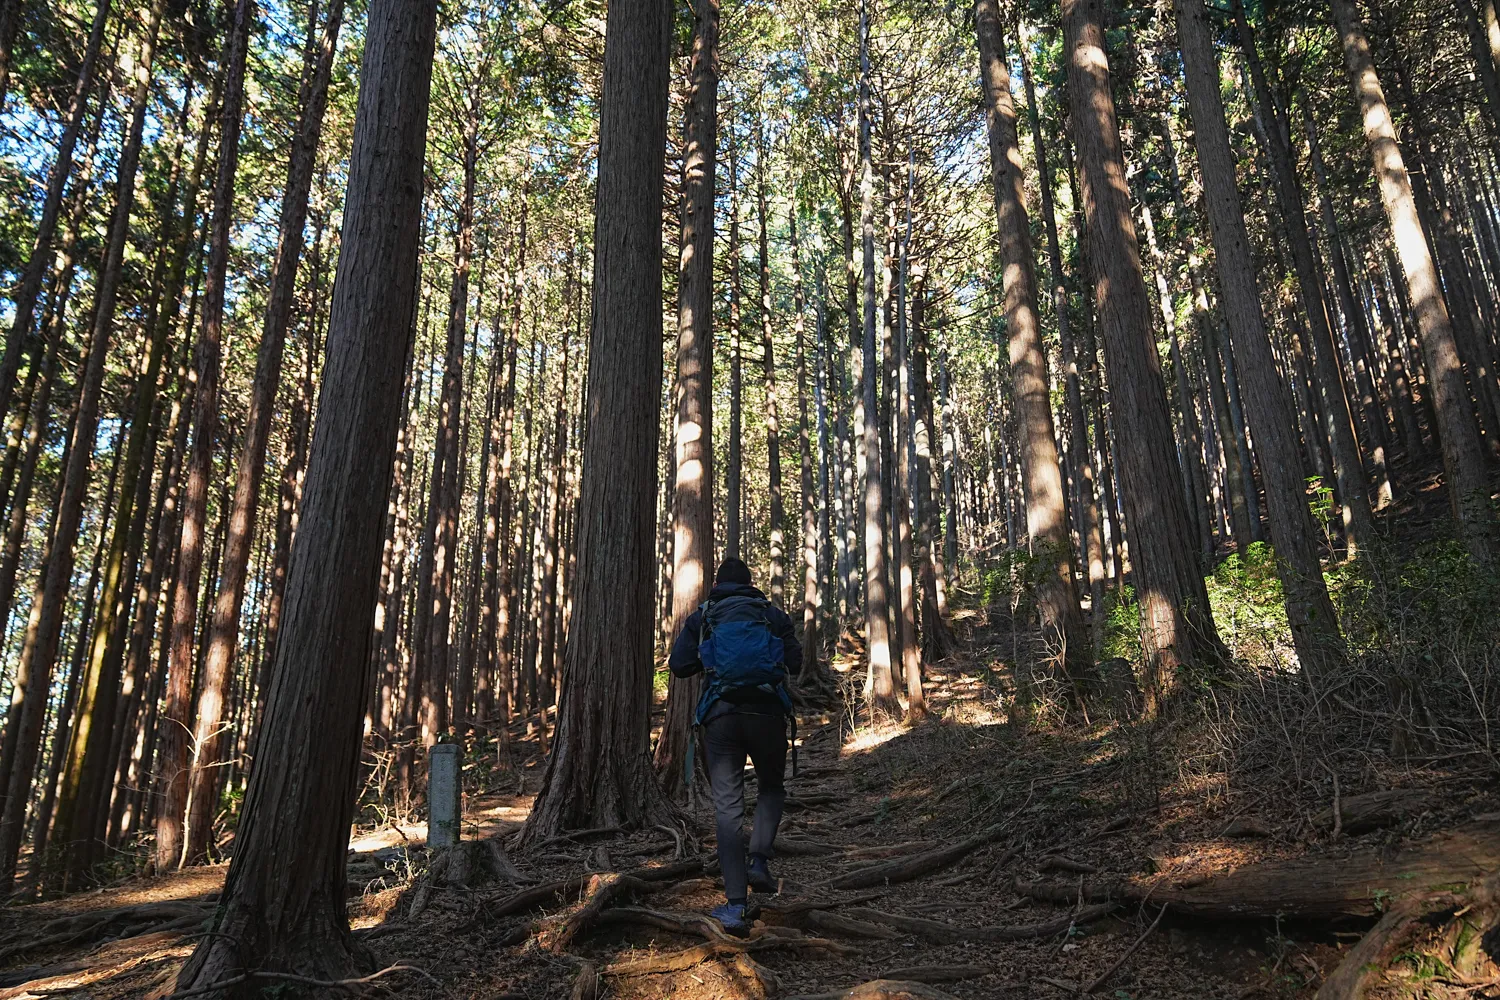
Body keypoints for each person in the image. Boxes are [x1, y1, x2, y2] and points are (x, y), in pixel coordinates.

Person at [669, 557, 801, 935]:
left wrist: (710, 659)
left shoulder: (704, 617)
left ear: (716, 585)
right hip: (768, 715)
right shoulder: (771, 615)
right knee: (772, 787)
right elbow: (795, 659)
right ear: (750, 583)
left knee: (727, 808)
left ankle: (735, 907)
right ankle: (758, 861)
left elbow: (679, 666)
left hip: (721, 718)